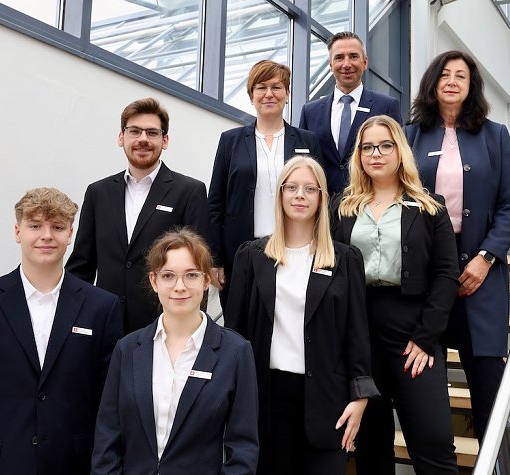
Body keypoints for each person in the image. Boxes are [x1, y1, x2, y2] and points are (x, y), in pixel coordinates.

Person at [0, 188, 123, 475]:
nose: (46, 235)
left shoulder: (102, 307)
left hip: (73, 465)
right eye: (35, 225)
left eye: (57, 227)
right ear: (18, 232)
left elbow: (110, 404)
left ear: (71, 234)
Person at [226, 156, 378, 475]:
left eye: (310, 189)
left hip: (328, 401)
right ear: (280, 194)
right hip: (267, 401)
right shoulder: (251, 256)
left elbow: (357, 334)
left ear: (322, 197)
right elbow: (235, 334)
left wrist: (360, 397)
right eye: (292, 187)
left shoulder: (345, 260)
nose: (300, 195)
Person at [331, 115, 460, 474]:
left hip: (414, 335)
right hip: (358, 333)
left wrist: (427, 337)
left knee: (432, 443)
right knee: (371, 447)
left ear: (400, 151)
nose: (376, 154)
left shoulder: (429, 206)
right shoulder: (342, 207)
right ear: (358, 155)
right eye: (367, 147)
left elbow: (446, 273)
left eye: (385, 145)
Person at [405, 50, 510, 443]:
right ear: (433, 83)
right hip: (426, 269)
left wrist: (486, 258)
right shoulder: (410, 135)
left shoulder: (495, 135)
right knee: (425, 381)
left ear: (471, 87)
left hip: (481, 270)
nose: (453, 81)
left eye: (462, 76)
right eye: (445, 75)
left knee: (487, 380)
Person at [92, 229, 259, 474]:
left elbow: (243, 448)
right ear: (153, 281)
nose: (179, 286)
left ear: (206, 281)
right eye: (168, 276)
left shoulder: (235, 352)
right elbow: (107, 437)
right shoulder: (127, 349)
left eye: (191, 275)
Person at [67, 97, 209, 334]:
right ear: (121, 137)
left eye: (152, 133)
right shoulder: (98, 193)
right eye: (135, 131)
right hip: (104, 327)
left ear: (165, 141)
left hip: (163, 328)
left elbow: (198, 268)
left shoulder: (190, 191)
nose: (143, 139)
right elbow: (82, 265)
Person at [208, 60, 322, 308]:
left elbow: (321, 198)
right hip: (241, 252)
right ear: (251, 95)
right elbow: (215, 202)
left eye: (277, 87)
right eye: (261, 87)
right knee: (241, 327)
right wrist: (215, 259)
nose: (269, 94)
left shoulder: (308, 141)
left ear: (287, 94)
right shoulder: (231, 141)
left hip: (296, 252)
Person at [299, 31, 402, 195]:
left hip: (370, 202)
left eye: (353, 56)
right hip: (323, 208)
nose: (346, 64)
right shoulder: (310, 111)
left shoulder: (387, 106)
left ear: (365, 62)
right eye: (339, 57)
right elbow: (302, 163)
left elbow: (399, 158)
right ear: (330, 65)